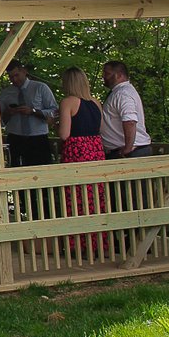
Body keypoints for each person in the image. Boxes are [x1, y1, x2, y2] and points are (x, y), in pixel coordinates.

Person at [58, 66, 107, 251]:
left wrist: (56, 123)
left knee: (76, 199)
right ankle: (97, 243)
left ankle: (78, 244)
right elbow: (100, 128)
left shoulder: (68, 102)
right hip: (95, 150)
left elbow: (64, 134)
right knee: (95, 199)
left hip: (77, 152)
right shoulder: (95, 102)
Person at [0, 61, 58, 168]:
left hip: (38, 137)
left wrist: (33, 111)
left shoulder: (40, 88)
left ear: (24, 71)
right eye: (11, 77)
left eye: (16, 75)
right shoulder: (6, 93)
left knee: (41, 171)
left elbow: (54, 111)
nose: (14, 80)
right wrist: (9, 112)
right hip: (15, 137)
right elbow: (0, 119)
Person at [101, 60, 151, 158]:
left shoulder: (123, 94)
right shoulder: (120, 92)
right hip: (128, 151)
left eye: (107, 73)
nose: (103, 76)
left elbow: (130, 121)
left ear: (119, 75)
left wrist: (128, 148)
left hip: (130, 153)